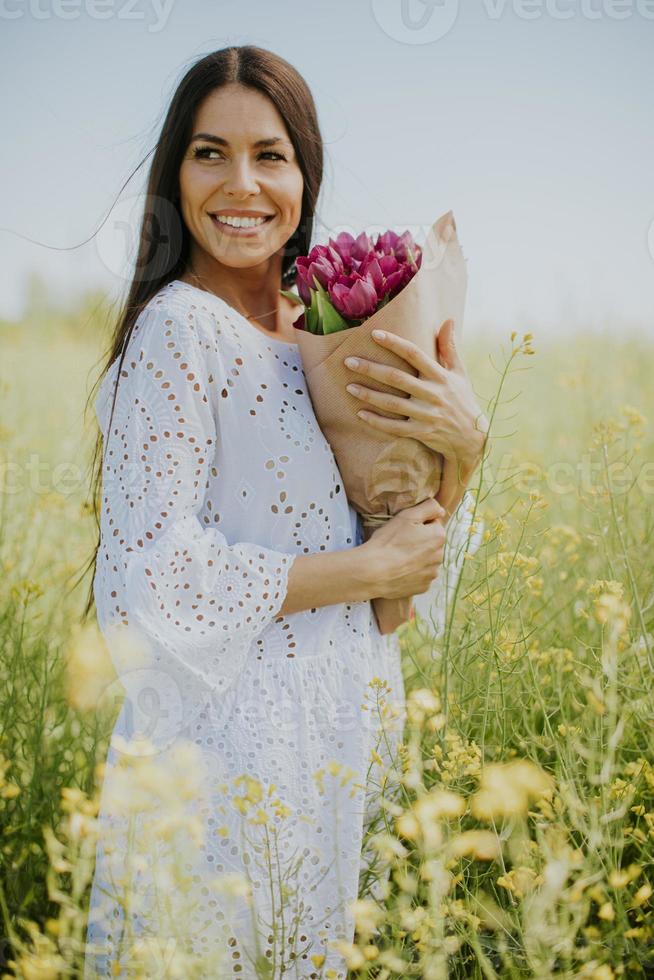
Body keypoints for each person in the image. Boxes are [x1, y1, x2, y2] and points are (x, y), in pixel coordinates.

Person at [83, 45, 487, 980]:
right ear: (174, 173)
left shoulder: (332, 335)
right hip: (223, 755)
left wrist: (464, 455)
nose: (241, 185)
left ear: (305, 173)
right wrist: (363, 571)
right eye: (208, 153)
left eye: (270, 155)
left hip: (336, 740)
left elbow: (402, 589)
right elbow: (154, 577)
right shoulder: (180, 329)